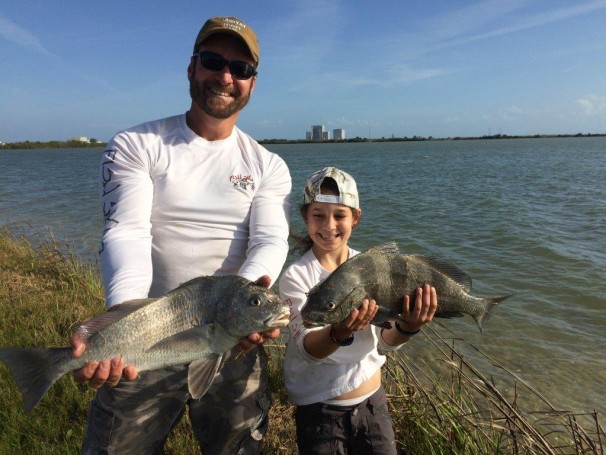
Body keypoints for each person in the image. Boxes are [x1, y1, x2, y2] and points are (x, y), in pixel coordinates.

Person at [71, 16, 292, 454]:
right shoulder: (136, 144)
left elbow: (270, 241)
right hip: (151, 328)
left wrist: (243, 307)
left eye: (241, 69)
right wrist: (122, 320)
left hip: (232, 337)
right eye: (213, 61)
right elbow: (126, 231)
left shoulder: (269, 165)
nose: (226, 77)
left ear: (252, 82)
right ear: (191, 68)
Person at [279, 167, 438, 454]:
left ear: (356, 218)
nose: (329, 225)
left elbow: (385, 341)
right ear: (305, 217)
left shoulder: (370, 267)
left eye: (340, 215)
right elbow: (306, 348)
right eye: (318, 215)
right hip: (320, 409)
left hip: (373, 403)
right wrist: (339, 332)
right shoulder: (296, 276)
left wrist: (408, 327)